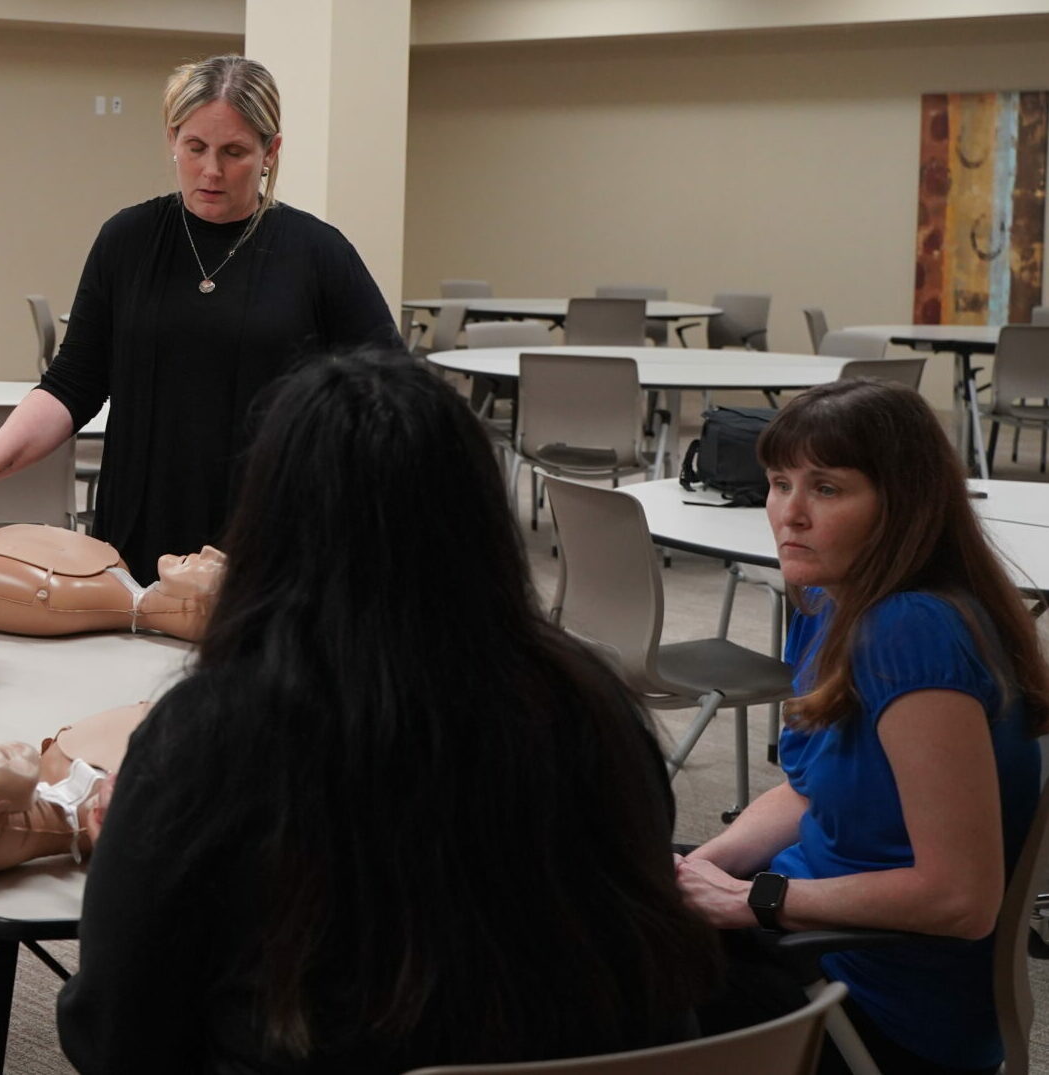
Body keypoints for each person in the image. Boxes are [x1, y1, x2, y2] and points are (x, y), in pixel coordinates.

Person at [57, 349, 717, 1073]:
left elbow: (114, 1036)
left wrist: (138, 838)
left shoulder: (213, 731)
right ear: (479, 517)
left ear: (267, 518)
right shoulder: (589, 700)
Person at [0, 55, 400, 581]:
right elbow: (73, 384)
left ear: (270, 151)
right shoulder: (128, 240)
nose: (211, 170)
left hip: (272, 529)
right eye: (195, 148)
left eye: (234, 152)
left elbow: (388, 388)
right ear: (172, 138)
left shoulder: (317, 253)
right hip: (142, 522)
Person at [678, 379, 1047, 1075]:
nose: (788, 514)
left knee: (575, 984)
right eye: (778, 483)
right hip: (812, 929)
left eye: (824, 488)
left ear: (900, 505)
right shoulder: (828, 598)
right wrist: (709, 867)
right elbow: (808, 789)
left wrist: (755, 899)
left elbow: (960, 899)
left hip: (870, 1001)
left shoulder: (909, 631)